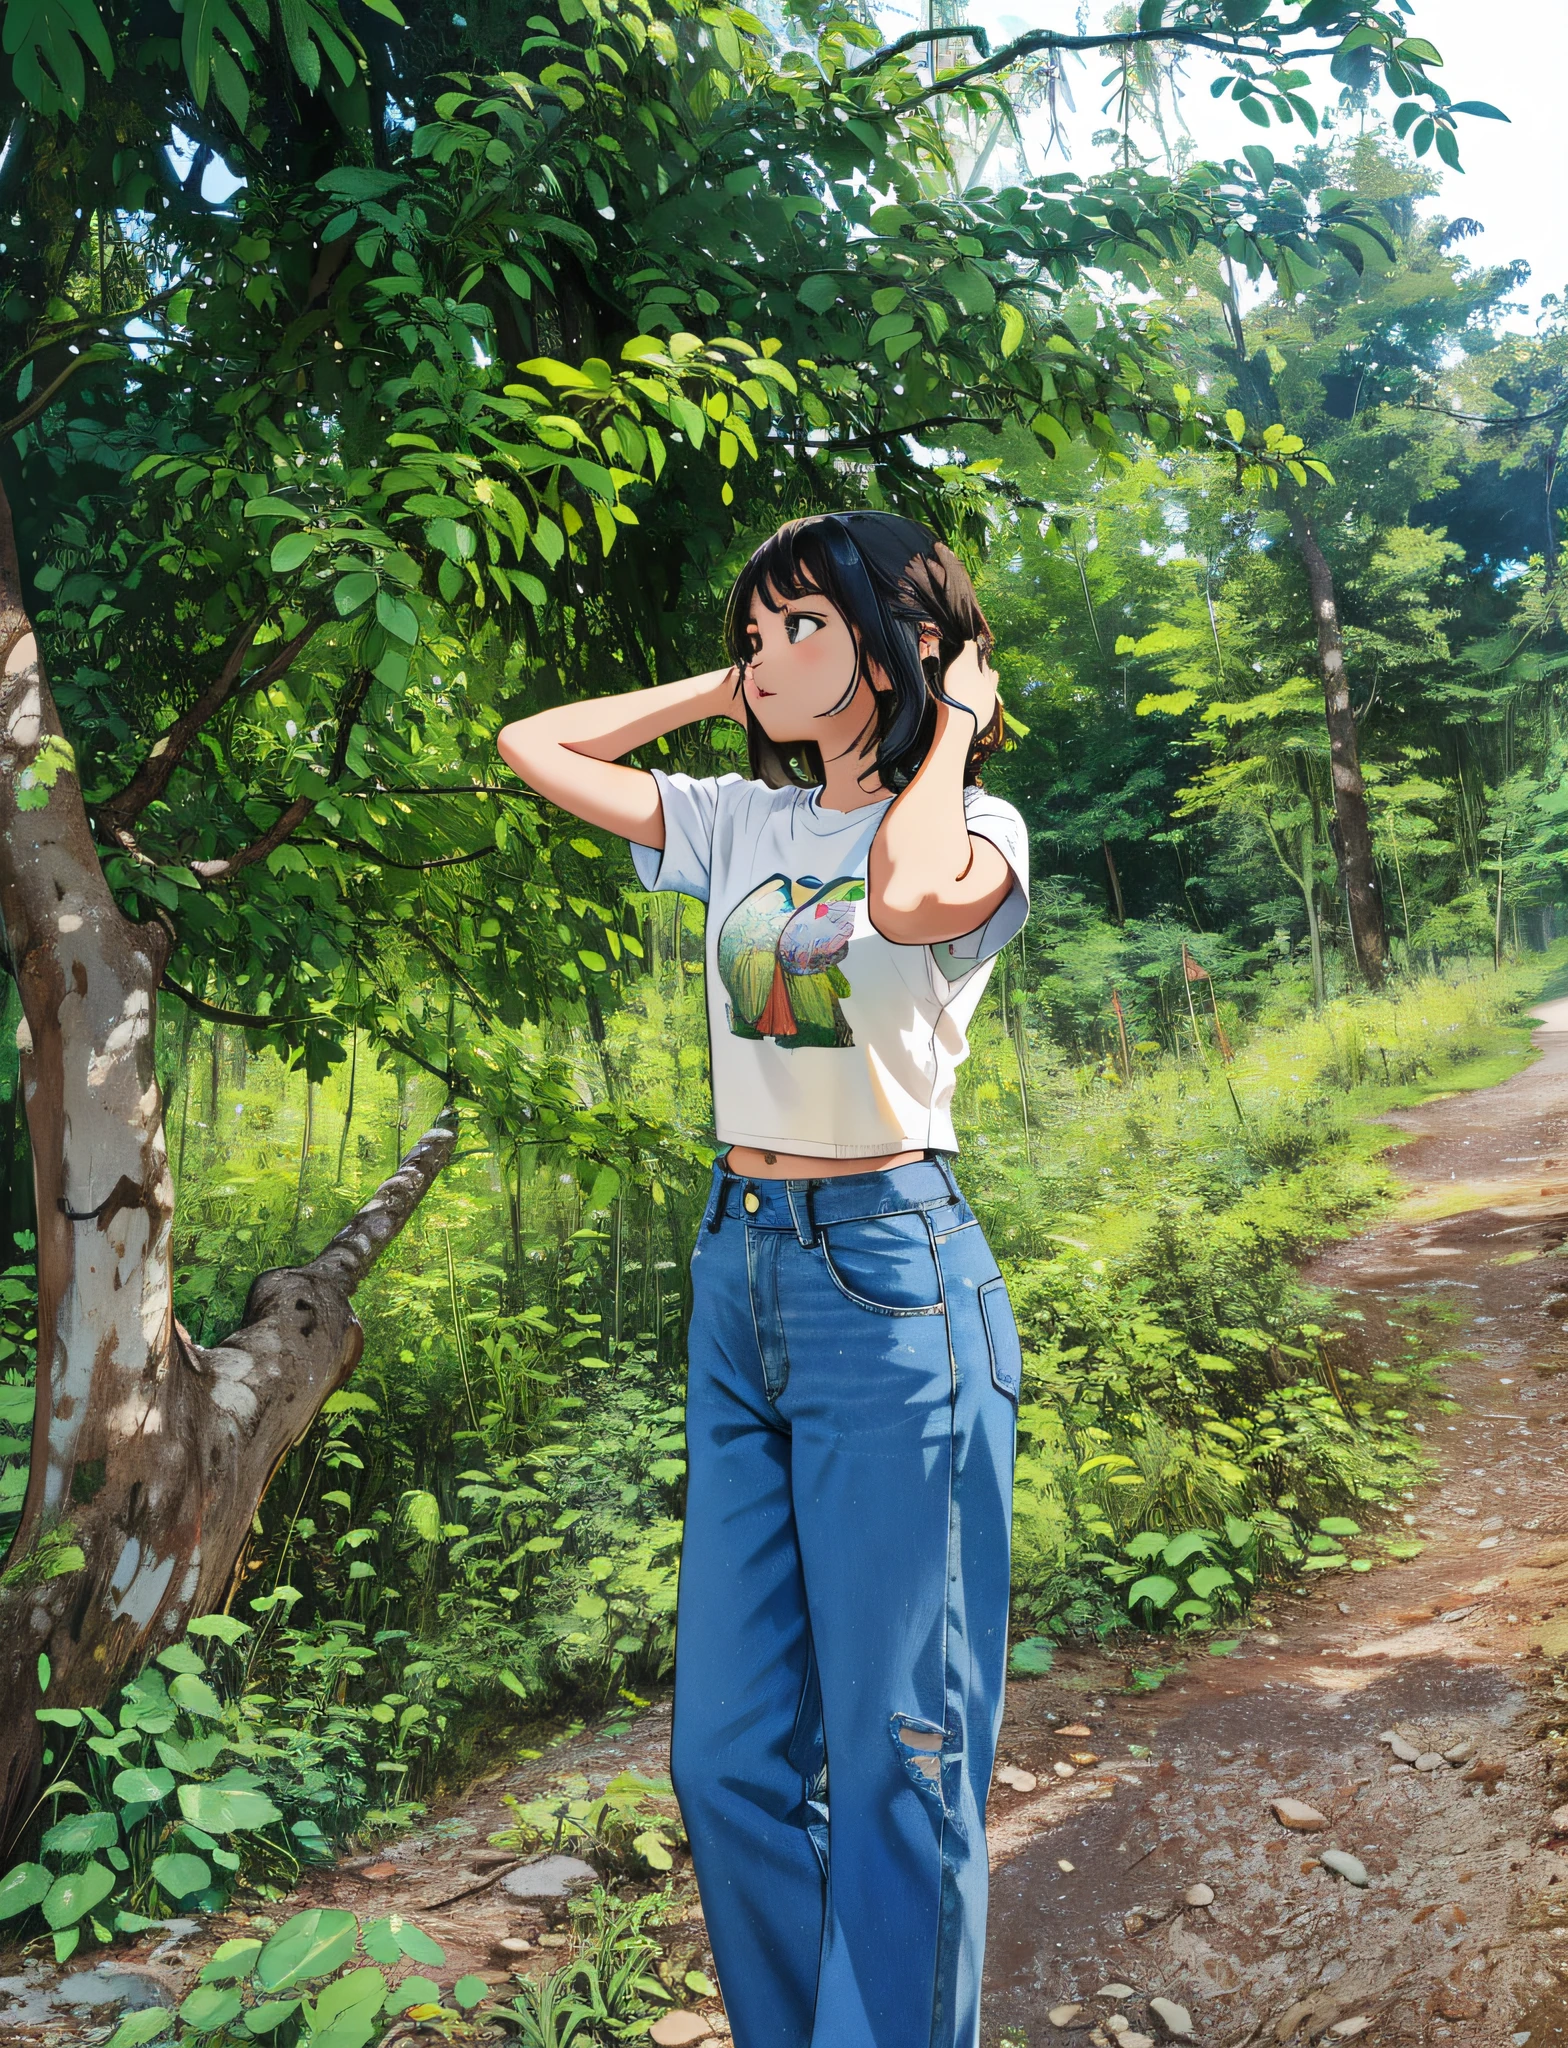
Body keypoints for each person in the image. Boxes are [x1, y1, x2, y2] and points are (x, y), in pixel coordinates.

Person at [497, 510, 1029, 2048]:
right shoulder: (735, 820)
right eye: (756, 629)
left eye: (805, 626)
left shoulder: (981, 833)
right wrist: (716, 694)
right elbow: (535, 743)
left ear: (905, 646)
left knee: (901, 1752)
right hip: (740, 1277)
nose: (766, 652)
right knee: (724, 1760)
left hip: (892, 1286)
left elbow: (913, 894)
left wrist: (956, 728)